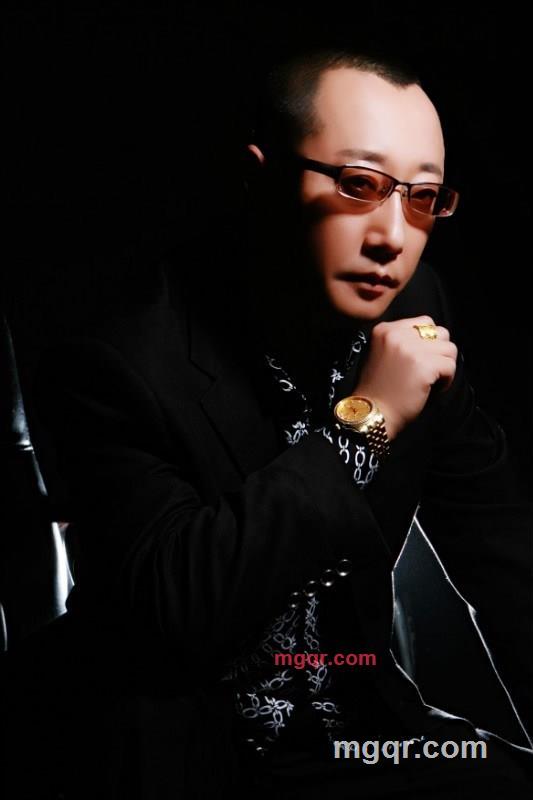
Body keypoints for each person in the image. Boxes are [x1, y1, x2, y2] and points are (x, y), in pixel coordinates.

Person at [2, 45, 532, 799]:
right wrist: (369, 420)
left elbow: (504, 554)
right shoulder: (115, 360)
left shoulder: (414, 310)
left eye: (422, 198)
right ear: (259, 178)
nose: (392, 235)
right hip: (170, 756)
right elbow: (178, 610)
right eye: (358, 185)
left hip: (360, 735)